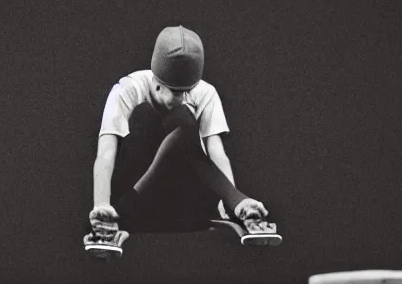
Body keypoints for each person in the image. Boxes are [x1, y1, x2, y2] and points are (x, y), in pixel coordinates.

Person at [83, 25, 278, 255]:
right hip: (136, 199)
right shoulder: (128, 90)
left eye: (190, 89)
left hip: (184, 200)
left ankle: (239, 203)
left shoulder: (205, 93)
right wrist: (101, 205)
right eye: (177, 91)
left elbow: (216, 152)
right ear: (156, 83)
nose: (186, 96)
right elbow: (106, 154)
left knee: (185, 119)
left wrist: (232, 204)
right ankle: (122, 212)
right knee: (145, 115)